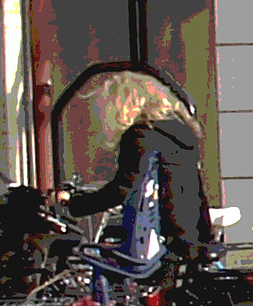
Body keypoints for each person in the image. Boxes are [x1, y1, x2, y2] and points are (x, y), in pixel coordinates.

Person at [59, 70, 214, 261]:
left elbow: (123, 189)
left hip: (159, 242)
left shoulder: (141, 136)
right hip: (190, 235)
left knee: (93, 259)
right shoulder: (183, 135)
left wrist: (74, 203)